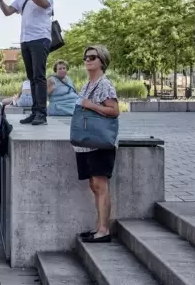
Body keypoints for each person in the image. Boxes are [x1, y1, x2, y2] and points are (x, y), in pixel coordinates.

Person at [0, 0, 54, 126]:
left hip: (40, 37)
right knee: (31, 78)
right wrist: (0, 0)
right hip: (25, 39)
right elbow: (8, 11)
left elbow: (45, 4)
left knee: (39, 76)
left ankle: (41, 113)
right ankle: (35, 112)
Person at [75, 45, 119, 243]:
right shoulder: (87, 84)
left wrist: (90, 105)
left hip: (99, 141)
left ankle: (104, 230)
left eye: (92, 57)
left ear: (102, 61)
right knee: (94, 185)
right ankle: (98, 227)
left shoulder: (105, 84)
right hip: (87, 142)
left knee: (100, 184)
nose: (87, 60)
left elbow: (114, 110)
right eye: (86, 57)